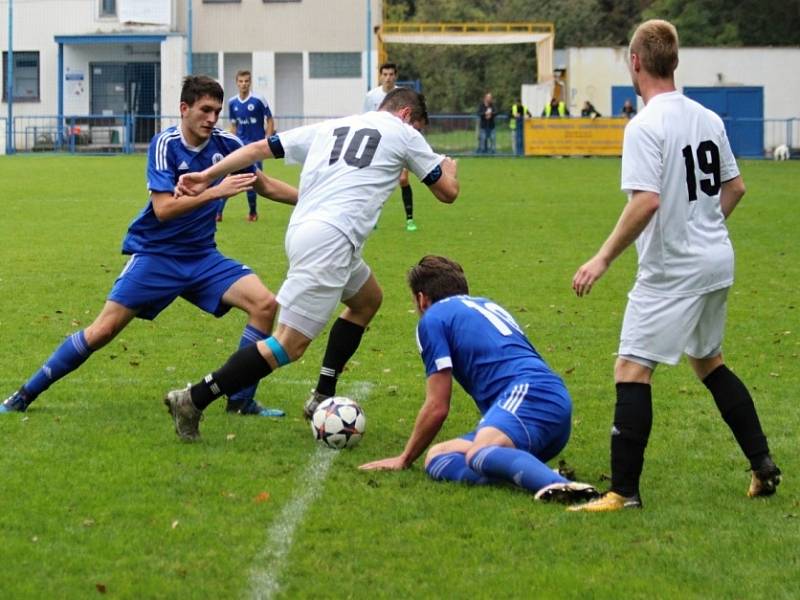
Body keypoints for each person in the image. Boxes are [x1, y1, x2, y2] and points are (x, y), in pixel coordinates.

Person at [164, 88, 459, 441]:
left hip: (308, 232)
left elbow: (260, 147)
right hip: (331, 241)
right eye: (420, 129)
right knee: (287, 345)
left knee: (367, 300)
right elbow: (447, 192)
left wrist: (206, 174)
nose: (419, 137)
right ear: (408, 115)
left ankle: (322, 394)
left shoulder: (333, 126)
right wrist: (448, 168)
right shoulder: (404, 132)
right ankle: (193, 399)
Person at [570, 19, 781, 512]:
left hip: (673, 271)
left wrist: (602, 258)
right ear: (675, 62)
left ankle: (622, 492)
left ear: (635, 62)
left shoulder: (644, 125)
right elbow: (736, 187)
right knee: (708, 362)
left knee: (631, 369)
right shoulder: (708, 118)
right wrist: (703, 225)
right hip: (716, 261)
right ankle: (762, 464)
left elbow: (645, 201)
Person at [1, 75, 297, 418]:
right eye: (204, 110)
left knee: (264, 304)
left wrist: (312, 201)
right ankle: (25, 394)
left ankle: (241, 401)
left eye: (216, 111)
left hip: (202, 258)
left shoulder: (228, 144)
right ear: (184, 109)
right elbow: (164, 209)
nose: (212, 119)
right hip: (157, 256)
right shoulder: (165, 144)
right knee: (103, 330)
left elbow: (264, 185)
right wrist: (216, 191)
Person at [359, 256, 599, 505]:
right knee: (437, 457)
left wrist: (404, 458)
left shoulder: (432, 319)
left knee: (479, 452)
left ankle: (561, 488)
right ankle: (529, 474)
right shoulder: (484, 304)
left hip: (529, 395)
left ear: (421, 300)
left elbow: (437, 406)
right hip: (545, 404)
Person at [364, 62, 417, 231]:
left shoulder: (403, 96)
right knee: (372, 180)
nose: (387, 78)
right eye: (384, 74)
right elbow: (366, 119)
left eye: (391, 74)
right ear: (380, 76)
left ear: (396, 76)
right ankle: (371, 220)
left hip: (398, 142)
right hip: (377, 144)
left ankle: (410, 220)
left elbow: (410, 120)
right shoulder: (371, 96)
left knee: (403, 179)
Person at [217, 70, 276, 222]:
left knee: (252, 180)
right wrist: (231, 142)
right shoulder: (232, 102)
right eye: (241, 81)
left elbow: (269, 119)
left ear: (250, 83)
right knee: (229, 177)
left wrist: (268, 140)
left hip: (256, 148)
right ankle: (218, 213)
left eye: (246, 81)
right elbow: (234, 125)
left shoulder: (258, 100)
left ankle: (252, 212)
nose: (243, 84)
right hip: (239, 147)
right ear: (236, 83)